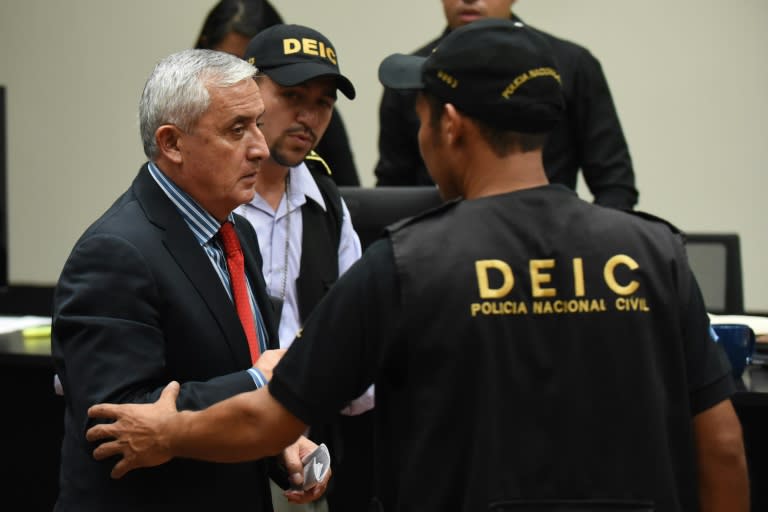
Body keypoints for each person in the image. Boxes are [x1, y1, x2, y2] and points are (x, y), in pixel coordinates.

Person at [86, 19, 748, 512]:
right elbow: (720, 444)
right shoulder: (654, 253)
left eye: (423, 114)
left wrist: (170, 429)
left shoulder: (404, 263)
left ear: (451, 125)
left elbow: (274, 418)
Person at [51, 48, 328, 511]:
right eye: (237, 130)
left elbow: (224, 375)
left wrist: (275, 444)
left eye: (258, 123)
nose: (260, 146)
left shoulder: (236, 232)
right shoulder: (115, 253)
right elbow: (114, 425)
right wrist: (257, 384)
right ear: (172, 143)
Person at [235, 23, 374, 512]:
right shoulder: (212, 198)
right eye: (291, 95)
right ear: (249, 93)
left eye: (323, 102)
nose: (307, 116)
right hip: (217, 434)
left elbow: (360, 338)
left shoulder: (328, 204)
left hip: (311, 440)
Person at [374, 0, 638, 210]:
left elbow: (615, 184)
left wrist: (588, 247)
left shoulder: (569, 66)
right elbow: (391, 192)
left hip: (551, 240)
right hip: (439, 253)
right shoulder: (411, 78)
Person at [195, 0, 361, 187]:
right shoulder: (185, 126)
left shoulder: (326, 201)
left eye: (323, 102)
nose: (241, 80)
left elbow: (351, 194)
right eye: (231, 64)